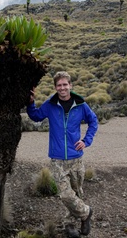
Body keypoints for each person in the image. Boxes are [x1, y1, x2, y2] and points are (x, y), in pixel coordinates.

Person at [27, 71, 98, 236]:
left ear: (70, 86)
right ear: (55, 87)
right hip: (57, 159)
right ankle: (87, 212)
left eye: (65, 84)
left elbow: (93, 121)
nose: (62, 88)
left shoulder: (80, 105)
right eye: (59, 85)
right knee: (66, 195)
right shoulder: (50, 104)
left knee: (77, 193)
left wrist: (86, 140)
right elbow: (36, 116)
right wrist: (30, 103)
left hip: (76, 158)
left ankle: (70, 225)